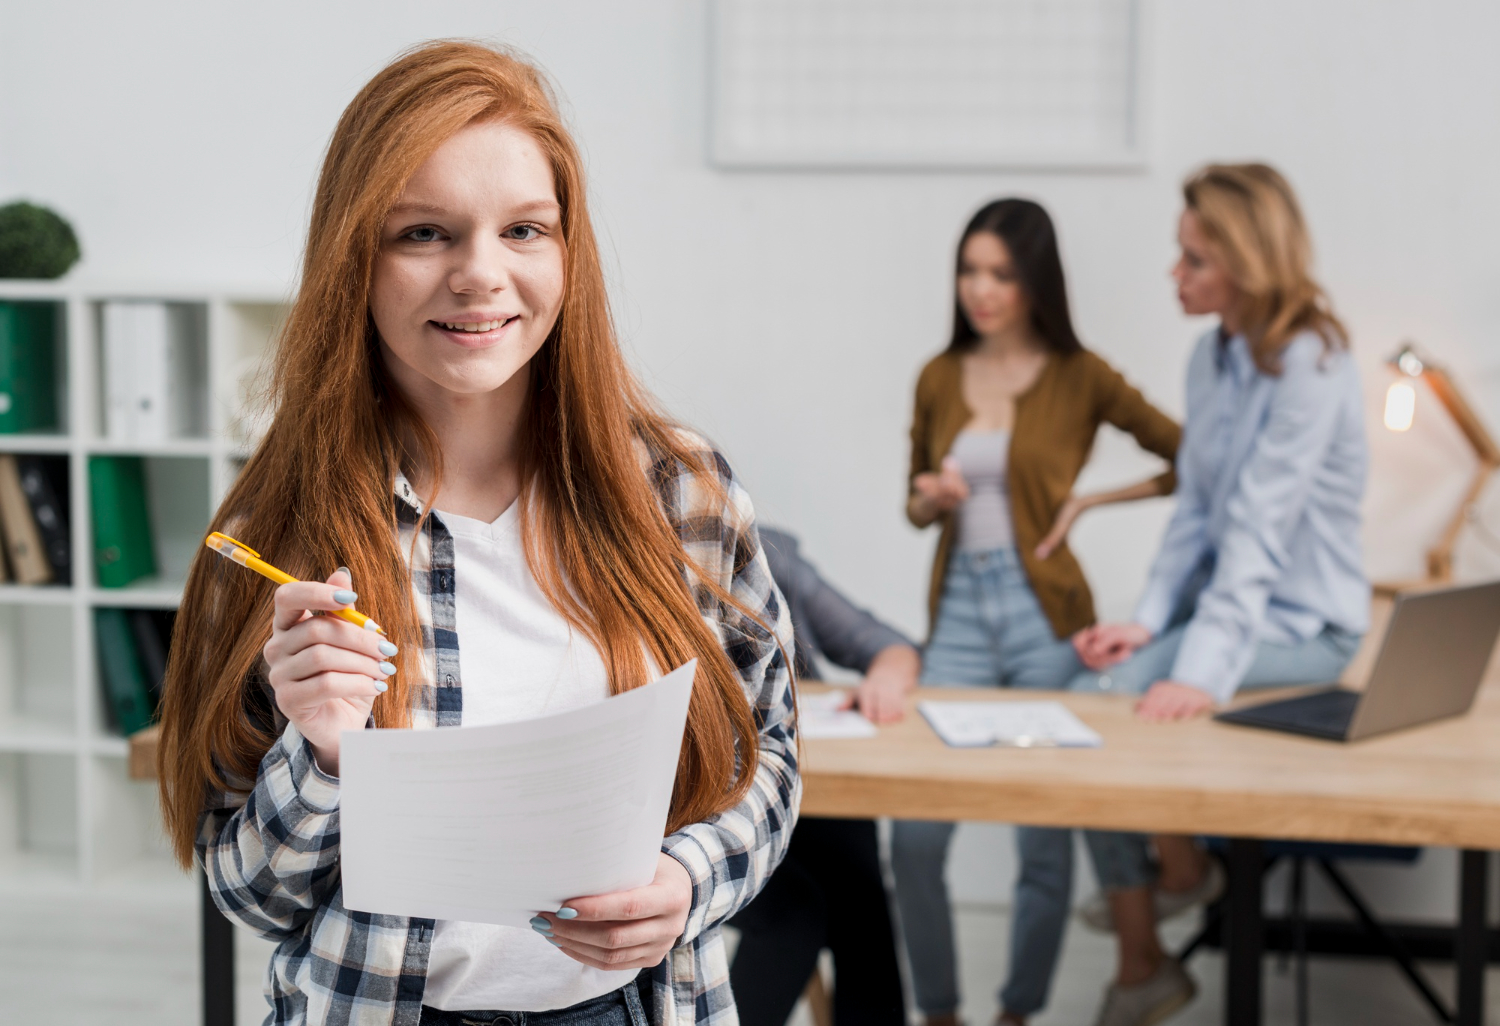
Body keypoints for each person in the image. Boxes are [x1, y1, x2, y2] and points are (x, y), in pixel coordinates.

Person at [154, 42, 797, 1026]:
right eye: (424, 233)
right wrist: (322, 756)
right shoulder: (273, 537)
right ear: (354, 257)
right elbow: (251, 896)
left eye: (524, 230)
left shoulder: (682, 493)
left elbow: (770, 755)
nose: (481, 275)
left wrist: (687, 881)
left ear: (568, 253)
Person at [1071, 163, 1369, 1026]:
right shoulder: (1213, 356)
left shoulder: (1314, 362)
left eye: (1194, 259)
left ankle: (1171, 895)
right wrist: (1148, 623)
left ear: (1246, 262)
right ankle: (1171, 897)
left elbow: (1258, 533)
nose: (1175, 273)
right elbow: (1198, 511)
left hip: (1308, 627)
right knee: (1094, 683)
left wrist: (1195, 672)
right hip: (1230, 613)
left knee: (1108, 699)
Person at [893, 199, 1181, 1026]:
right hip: (959, 612)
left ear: (1036, 283)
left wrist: (1090, 500)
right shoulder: (938, 374)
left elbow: (1193, 457)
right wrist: (933, 497)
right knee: (914, 836)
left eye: (1002, 274)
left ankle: (1017, 1014)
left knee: (1043, 835)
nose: (981, 290)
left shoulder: (1081, 375)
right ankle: (940, 1013)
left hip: (1044, 617)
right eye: (970, 270)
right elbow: (913, 504)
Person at [729, 527, 918, 1026]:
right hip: (709, 809)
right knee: (797, 911)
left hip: (800, 787)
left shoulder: (768, 553)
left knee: (860, 888)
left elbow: (887, 645)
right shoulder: (636, 560)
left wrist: (884, 678)